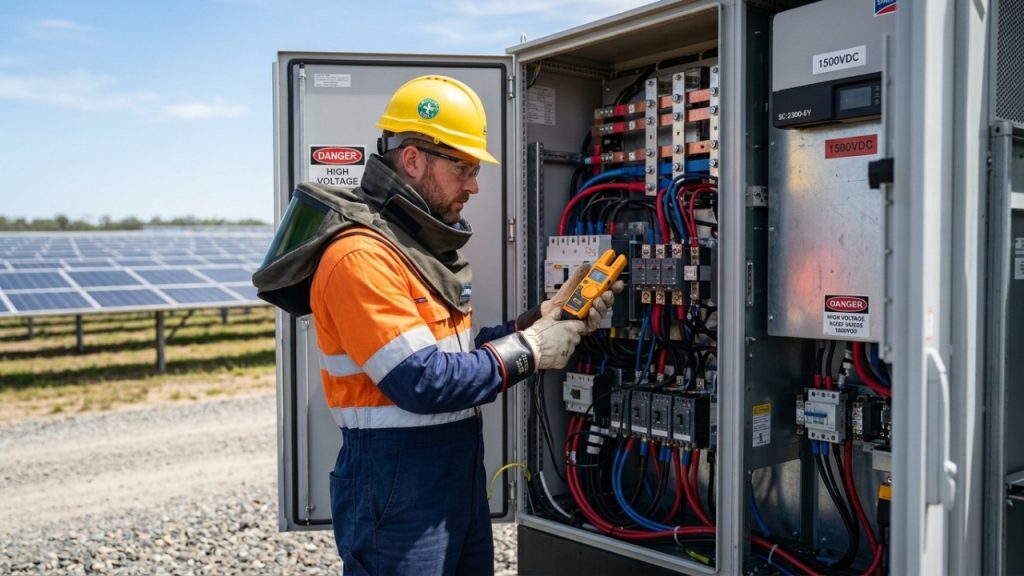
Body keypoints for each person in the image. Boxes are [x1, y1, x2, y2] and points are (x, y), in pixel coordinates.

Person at [307, 74, 622, 576]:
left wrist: (537, 320)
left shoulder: (413, 250)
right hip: (395, 485)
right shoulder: (360, 256)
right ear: (413, 159)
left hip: (451, 476)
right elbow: (423, 380)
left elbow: (454, 351)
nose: (475, 185)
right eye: (464, 168)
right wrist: (532, 349)